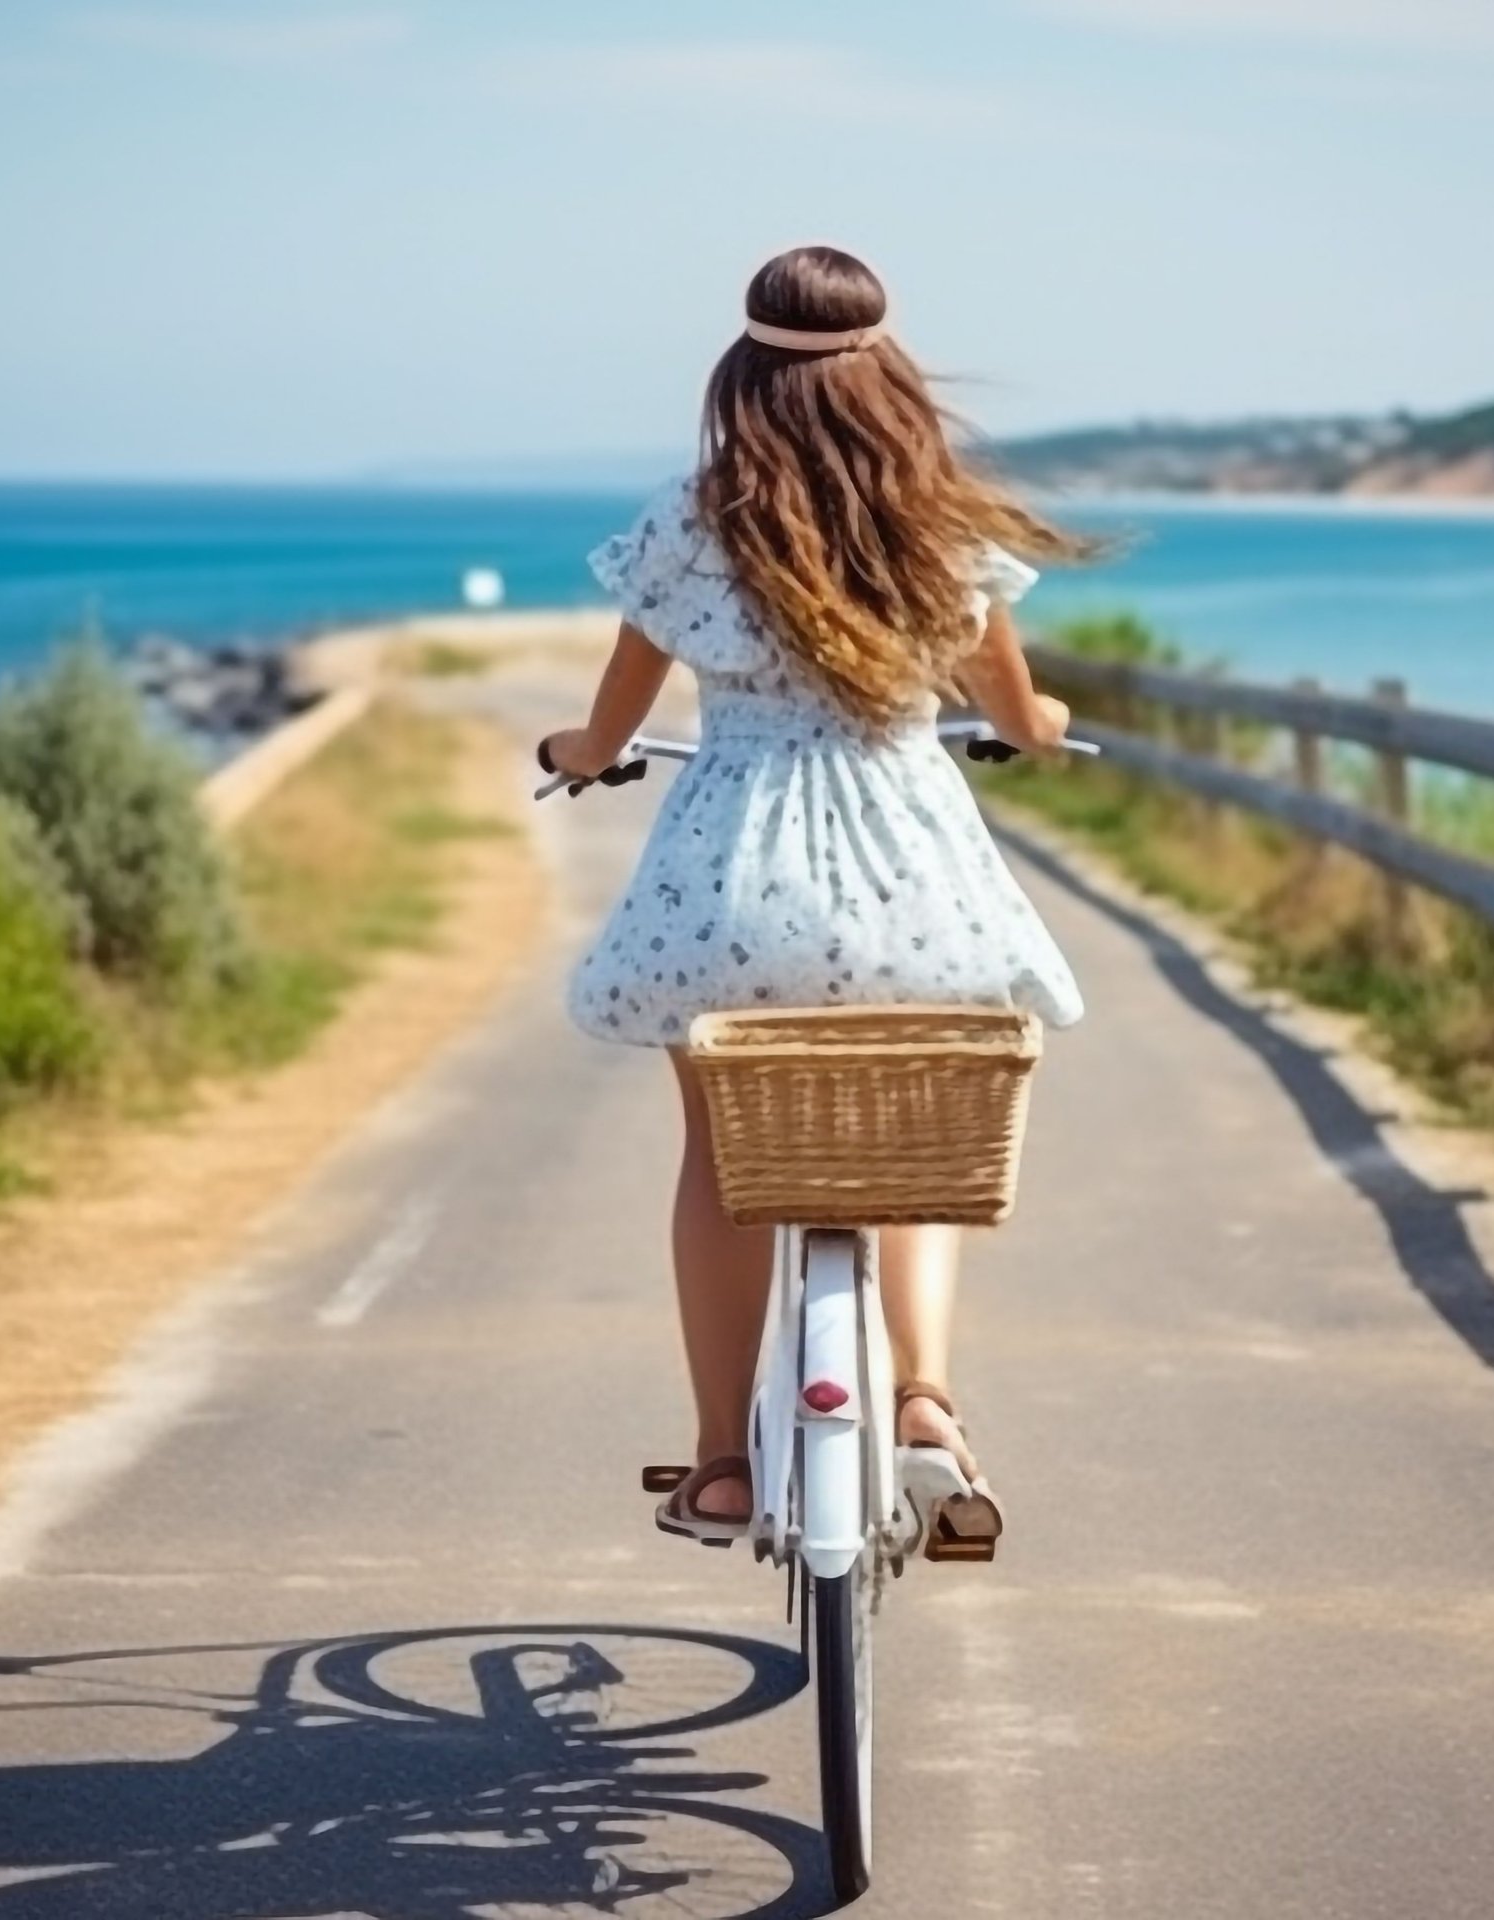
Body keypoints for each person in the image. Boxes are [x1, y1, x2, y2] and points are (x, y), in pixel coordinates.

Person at [541, 243, 1091, 1545]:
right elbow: (1017, 711)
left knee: (722, 1158)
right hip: (915, 896)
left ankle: (723, 1462)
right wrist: (1045, 724)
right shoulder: (939, 523)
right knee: (913, 1157)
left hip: (728, 894)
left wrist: (578, 757)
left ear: (739, 378)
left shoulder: (695, 521)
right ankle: (927, 1408)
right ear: (890, 381)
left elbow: (610, 730)